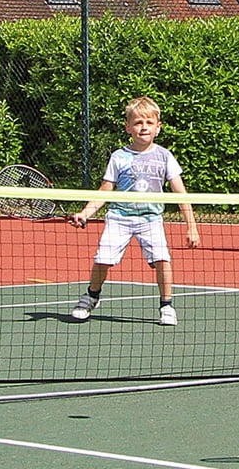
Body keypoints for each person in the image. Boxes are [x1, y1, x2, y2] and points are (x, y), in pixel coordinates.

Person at [68, 97, 201, 326]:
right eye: (138, 123)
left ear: (158, 128)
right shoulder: (119, 157)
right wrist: (85, 213)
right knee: (103, 260)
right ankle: (92, 296)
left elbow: (181, 193)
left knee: (162, 260)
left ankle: (166, 305)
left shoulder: (165, 156)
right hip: (119, 218)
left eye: (149, 122)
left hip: (151, 219)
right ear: (128, 127)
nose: (144, 127)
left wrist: (192, 227)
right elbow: (105, 190)